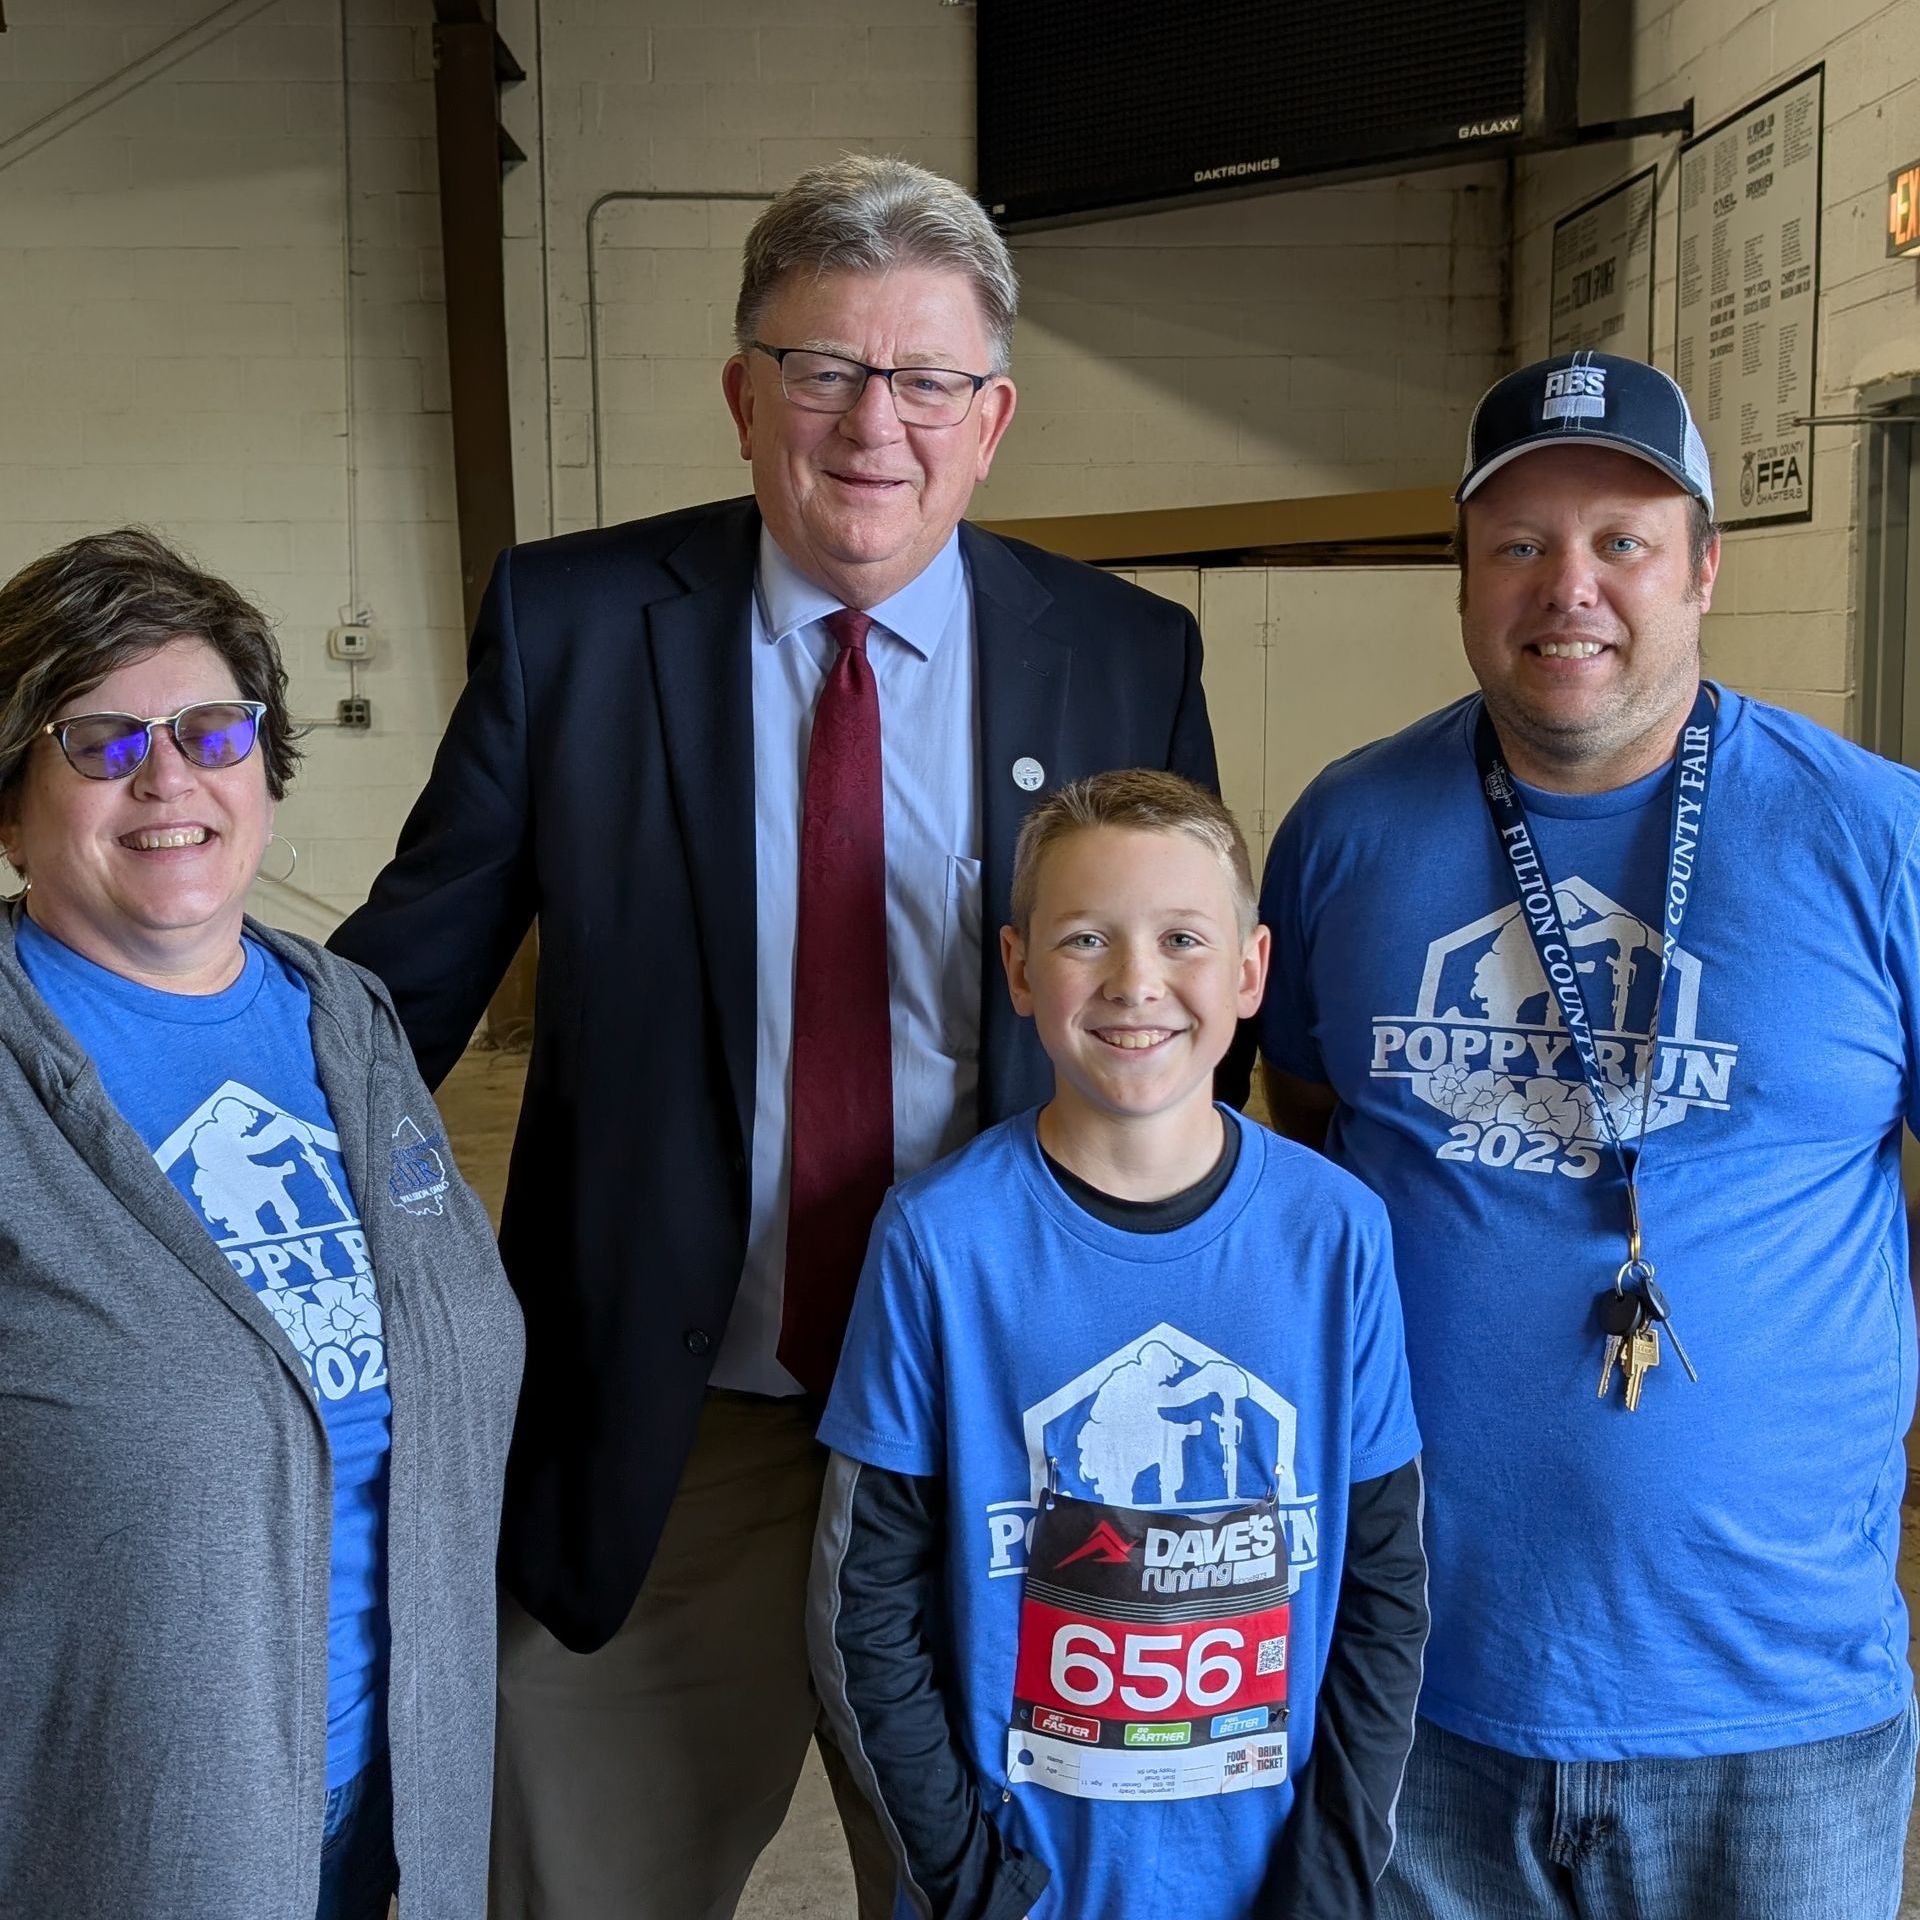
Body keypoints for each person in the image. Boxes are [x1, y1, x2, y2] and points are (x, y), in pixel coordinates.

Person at [328, 154, 1231, 1920]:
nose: (871, 423)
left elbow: (1180, 1023)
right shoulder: (575, 627)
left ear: (994, 419)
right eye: (823, 368)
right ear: (746, 396)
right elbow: (399, 994)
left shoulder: (1125, 653)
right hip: (674, 1439)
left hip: (1013, 1423)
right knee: (582, 1886)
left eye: (926, 381)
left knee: (1033, 1885)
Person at [1258, 351, 1920, 1919]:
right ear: (1465, 577)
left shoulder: (1877, 837)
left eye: (1622, 539)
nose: (1572, 587)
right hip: (1419, 1689)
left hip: (1777, 1714)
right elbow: (1305, 1144)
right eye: (1520, 543)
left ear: (1703, 568)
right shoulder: (1346, 831)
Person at [0, 527, 524, 1919]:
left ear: (266, 771)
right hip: (122, 1819)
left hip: (399, 1789)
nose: (166, 777)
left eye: (211, 731)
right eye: (97, 742)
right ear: (11, 805)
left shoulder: (344, 1020)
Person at [812, 769, 1428, 1920]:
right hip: (1019, 1880)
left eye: (1183, 938)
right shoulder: (943, 1241)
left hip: (1269, 1881)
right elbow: (867, 1606)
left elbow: (1385, 1592)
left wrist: (1327, 1885)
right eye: (1086, 938)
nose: (1137, 983)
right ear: (1018, 969)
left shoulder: (1334, 1232)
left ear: (1250, 972)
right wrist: (971, 1886)